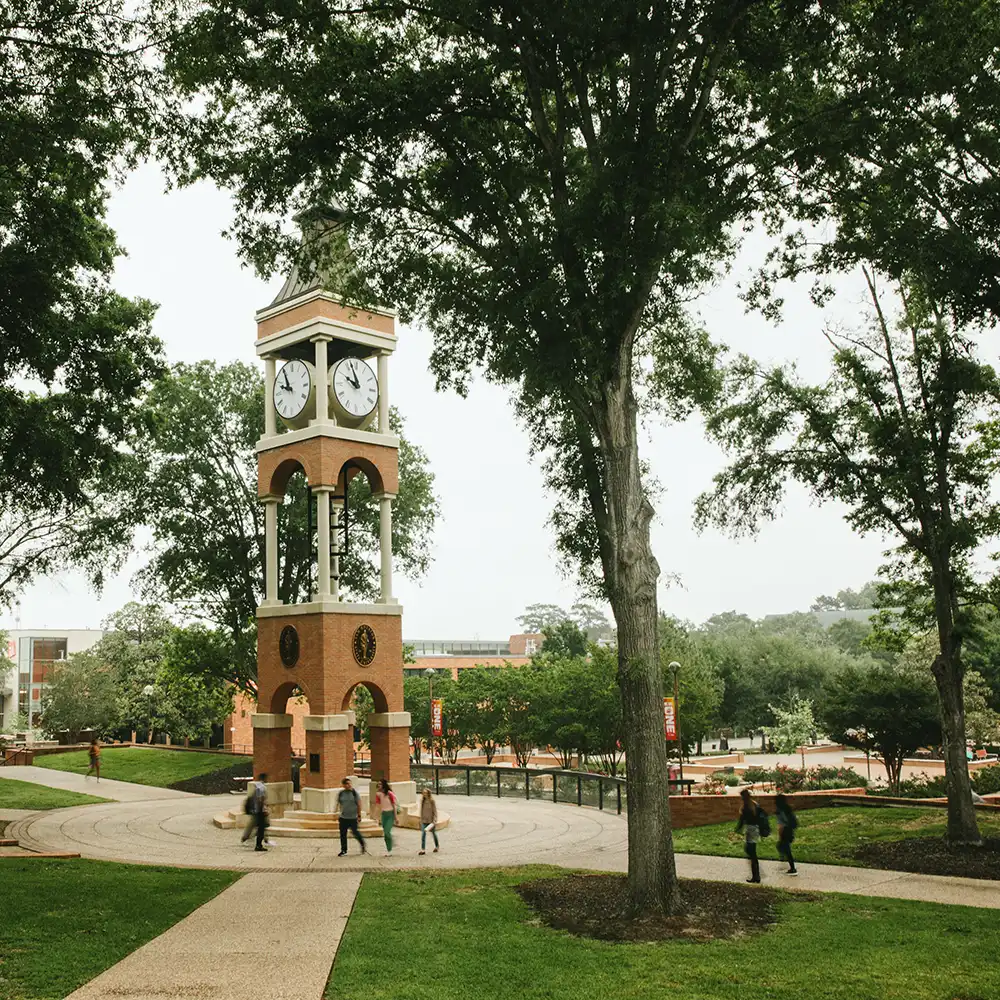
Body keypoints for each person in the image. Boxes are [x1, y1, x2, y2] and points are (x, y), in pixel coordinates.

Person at [736, 788, 764, 883]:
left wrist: (737, 829)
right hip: (755, 829)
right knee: (751, 852)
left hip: (750, 830)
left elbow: (742, 820)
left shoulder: (746, 807)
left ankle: (756, 876)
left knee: (751, 853)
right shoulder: (755, 805)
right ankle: (756, 875)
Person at [337, 777, 367, 857]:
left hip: (353, 818)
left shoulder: (354, 793)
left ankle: (362, 844)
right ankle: (343, 850)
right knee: (343, 834)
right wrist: (337, 813)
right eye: (347, 784)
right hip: (343, 817)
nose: (349, 785)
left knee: (355, 832)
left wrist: (359, 815)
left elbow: (359, 804)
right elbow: (339, 803)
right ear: (343, 785)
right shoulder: (341, 793)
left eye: (350, 783)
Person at [774, 793, 798, 875]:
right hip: (789, 829)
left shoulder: (779, 810)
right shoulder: (787, 808)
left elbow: (781, 824)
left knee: (785, 849)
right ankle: (785, 862)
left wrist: (780, 834)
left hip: (785, 830)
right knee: (783, 847)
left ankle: (792, 868)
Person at [373, 779, 398, 856]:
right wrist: (375, 816)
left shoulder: (389, 793)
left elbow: (394, 805)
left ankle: (390, 848)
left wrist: (396, 817)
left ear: (384, 785)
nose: (379, 786)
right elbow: (377, 806)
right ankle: (388, 849)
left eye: (380, 784)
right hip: (384, 814)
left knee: (387, 832)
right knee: (386, 834)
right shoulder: (378, 794)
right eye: (378, 784)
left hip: (390, 814)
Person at [249, 772, 268, 852]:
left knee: (260, 828)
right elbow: (261, 799)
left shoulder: (257, 786)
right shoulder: (262, 788)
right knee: (261, 829)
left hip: (256, 810)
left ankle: (259, 843)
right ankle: (258, 845)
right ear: (264, 779)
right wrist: (263, 810)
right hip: (260, 811)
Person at [418, 788, 439, 855]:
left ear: (428, 793)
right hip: (424, 820)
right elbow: (421, 811)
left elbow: (435, 811)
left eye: (425, 793)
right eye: (423, 793)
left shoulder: (432, 801)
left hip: (431, 821)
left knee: (433, 834)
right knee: (423, 834)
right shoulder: (422, 801)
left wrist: (435, 820)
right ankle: (423, 850)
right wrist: (420, 819)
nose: (424, 794)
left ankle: (437, 846)